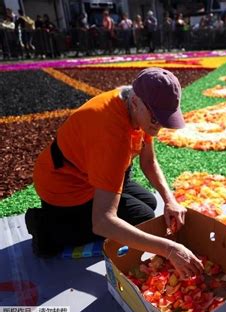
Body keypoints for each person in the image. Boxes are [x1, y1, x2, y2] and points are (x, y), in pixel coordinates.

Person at [27, 68, 204, 278]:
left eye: (166, 118)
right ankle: (46, 226)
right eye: (156, 119)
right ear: (136, 102)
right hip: (65, 187)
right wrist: (169, 249)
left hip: (92, 169)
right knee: (143, 218)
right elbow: (102, 222)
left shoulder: (133, 103)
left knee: (149, 204)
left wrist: (170, 200)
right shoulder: (112, 136)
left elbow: (148, 161)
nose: (160, 126)